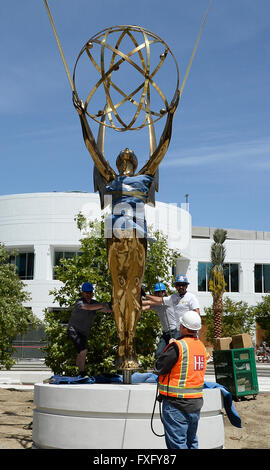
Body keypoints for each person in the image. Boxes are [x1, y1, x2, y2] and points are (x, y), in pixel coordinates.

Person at [72, 90, 179, 370]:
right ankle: (123, 346)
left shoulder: (146, 177)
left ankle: (130, 345)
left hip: (138, 237)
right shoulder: (109, 178)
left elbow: (163, 148)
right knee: (118, 291)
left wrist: (170, 116)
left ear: (133, 161)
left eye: (129, 156)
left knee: (133, 292)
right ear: (119, 162)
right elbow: (91, 147)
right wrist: (83, 116)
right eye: (122, 156)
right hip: (115, 237)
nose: (126, 155)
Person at [155, 310, 207, 449]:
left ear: (183, 327)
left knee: (178, 445)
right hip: (195, 403)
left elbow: (159, 367)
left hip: (176, 404)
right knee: (191, 442)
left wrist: (169, 347)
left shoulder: (178, 346)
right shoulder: (201, 347)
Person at [67, 282, 112, 377]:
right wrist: (103, 305)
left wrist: (113, 305)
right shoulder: (79, 303)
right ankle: (81, 372)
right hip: (74, 330)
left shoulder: (95, 303)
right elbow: (88, 307)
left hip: (83, 332)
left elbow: (106, 310)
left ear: (92, 293)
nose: (88, 295)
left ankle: (80, 372)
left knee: (82, 351)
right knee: (83, 350)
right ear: (82, 293)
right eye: (86, 293)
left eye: (90, 293)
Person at [142, 282, 180, 358]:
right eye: (158, 292)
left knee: (174, 353)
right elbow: (144, 307)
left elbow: (149, 302)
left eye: (161, 292)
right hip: (166, 333)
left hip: (175, 332)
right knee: (159, 354)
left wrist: (145, 295)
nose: (160, 294)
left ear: (164, 292)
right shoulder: (156, 304)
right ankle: (163, 369)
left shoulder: (168, 301)